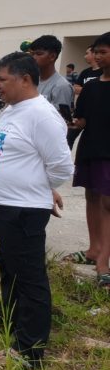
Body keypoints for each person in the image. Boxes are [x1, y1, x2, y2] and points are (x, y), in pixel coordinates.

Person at [0, 51, 73, 368]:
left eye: (2, 80)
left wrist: (43, 189)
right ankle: (6, 319)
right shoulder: (13, 109)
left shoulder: (42, 115)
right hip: (1, 206)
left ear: (25, 79)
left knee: (30, 278)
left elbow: (61, 166)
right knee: (8, 268)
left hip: (21, 210)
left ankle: (29, 352)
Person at [68, 32, 110, 288]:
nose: (97, 56)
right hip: (90, 149)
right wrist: (71, 123)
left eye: (103, 51)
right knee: (92, 197)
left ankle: (104, 260)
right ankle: (94, 249)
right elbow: (82, 119)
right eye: (96, 51)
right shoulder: (92, 85)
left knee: (108, 203)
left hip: (108, 153)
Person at [67, 46, 102, 149]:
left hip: (97, 114)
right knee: (69, 137)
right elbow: (75, 88)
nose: (84, 56)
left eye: (87, 53)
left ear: (93, 54)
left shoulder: (104, 72)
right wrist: (91, 89)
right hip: (81, 113)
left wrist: (86, 89)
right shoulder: (85, 72)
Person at [28, 35, 74, 114]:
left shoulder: (61, 86)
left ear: (52, 56)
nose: (33, 57)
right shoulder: (32, 81)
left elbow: (59, 119)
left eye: (38, 54)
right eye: (32, 54)